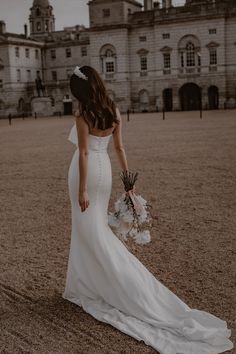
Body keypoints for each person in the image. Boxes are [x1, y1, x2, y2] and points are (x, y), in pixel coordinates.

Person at [62, 65, 233, 354]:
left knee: (90, 233)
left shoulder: (82, 115)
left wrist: (82, 190)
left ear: (80, 91)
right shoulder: (113, 110)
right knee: (95, 232)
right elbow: (119, 148)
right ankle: (85, 283)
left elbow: (86, 151)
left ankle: (106, 284)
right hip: (104, 173)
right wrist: (128, 183)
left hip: (87, 173)